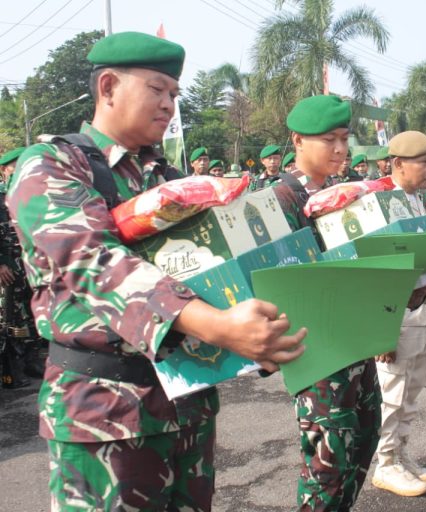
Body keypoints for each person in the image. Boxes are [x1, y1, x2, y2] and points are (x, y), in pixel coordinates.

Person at [7, 31, 306, 511]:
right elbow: (94, 261)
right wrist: (219, 327)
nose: (169, 104)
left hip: (186, 402)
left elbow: (218, 267)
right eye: (157, 89)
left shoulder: (170, 179)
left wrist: (261, 337)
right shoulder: (52, 165)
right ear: (108, 87)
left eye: (174, 94)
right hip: (102, 412)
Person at [268, 94, 382, 510]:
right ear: (298, 141)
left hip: (355, 342)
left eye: (344, 139)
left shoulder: (343, 192)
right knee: (326, 465)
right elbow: (279, 279)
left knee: (363, 442)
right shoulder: (281, 200)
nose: (339, 149)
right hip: (317, 350)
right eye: (328, 140)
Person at [372, 130, 426, 497]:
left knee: (411, 392)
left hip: (424, 311)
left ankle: (401, 453)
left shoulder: (415, 201)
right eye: (424, 162)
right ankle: (385, 464)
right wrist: (382, 328)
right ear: (398, 164)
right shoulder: (383, 204)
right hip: (399, 315)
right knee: (392, 393)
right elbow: (378, 272)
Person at [0, 146, 47, 389]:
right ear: (4, 170)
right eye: (14, 165)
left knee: (34, 310)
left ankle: (32, 359)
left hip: (32, 263)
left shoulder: (30, 194)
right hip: (10, 267)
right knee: (13, 315)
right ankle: (12, 366)